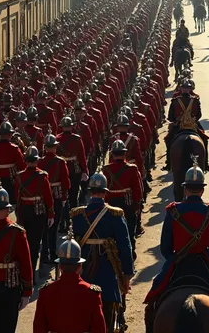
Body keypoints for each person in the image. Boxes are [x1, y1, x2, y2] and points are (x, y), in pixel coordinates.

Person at [144, 161, 209, 332]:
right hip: (206, 260)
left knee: (152, 302)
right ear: (202, 189)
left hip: (177, 260)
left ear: (185, 189)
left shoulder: (172, 211)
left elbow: (165, 249)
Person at [71, 171, 134, 333]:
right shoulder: (115, 215)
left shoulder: (77, 215)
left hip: (83, 274)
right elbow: (125, 247)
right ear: (105, 193)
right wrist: (127, 274)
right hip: (107, 274)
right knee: (108, 319)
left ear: (90, 192)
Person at [33, 229, 106, 333]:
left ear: (60, 267)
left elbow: (39, 328)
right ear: (80, 267)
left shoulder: (46, 292)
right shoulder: (92, 293)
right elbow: (99, 329)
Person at [0, 178, 33, 333]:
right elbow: (25, 263)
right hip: (9, 286)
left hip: (9, 285)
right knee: (7, 326)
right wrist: (27, 291)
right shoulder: (17, 232)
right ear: (8, 209)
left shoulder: (17, 232)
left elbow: (26, 263)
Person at [15, 145, 55, 279]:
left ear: (26, 160)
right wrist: (51, 214)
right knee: (36, 242)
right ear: (37, 161)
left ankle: (25, 271)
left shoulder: (19, 177)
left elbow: (17, 198)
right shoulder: (42, 176)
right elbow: (48, 198)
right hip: (38, 212)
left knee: (24, 242)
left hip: (24, 211)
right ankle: (33, 270)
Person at [162, 80, 209, 172]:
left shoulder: (175, 101)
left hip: (178, 126)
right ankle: (205, 164)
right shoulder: (195, 100)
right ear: (181, 89)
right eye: (184, 88)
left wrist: (177, 120)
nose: (185, 90)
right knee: (204, 140)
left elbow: (170, 117)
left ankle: (169, 163)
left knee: (169, 140)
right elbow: (199, 115)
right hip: (193, 125)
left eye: (186, 88)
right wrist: (192, 119)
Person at [102, 140, 143, 256]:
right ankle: (130, 253)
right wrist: (137, 204)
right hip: (127, 202)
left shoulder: (106, 169)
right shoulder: (132, 168)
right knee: (130, 229)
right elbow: (137, 189)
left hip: (111, 203)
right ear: (125, 154)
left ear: (112, 154)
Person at [38, 130, 71, 264]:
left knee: (44, 228)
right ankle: (52, 253)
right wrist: (64, 197)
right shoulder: (60, 162)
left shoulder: (40, 162)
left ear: (45, 147)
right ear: (55, 147)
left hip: (42, 198)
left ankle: (44, 254)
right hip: (56, 195)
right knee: (54, 226)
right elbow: (66, 182)